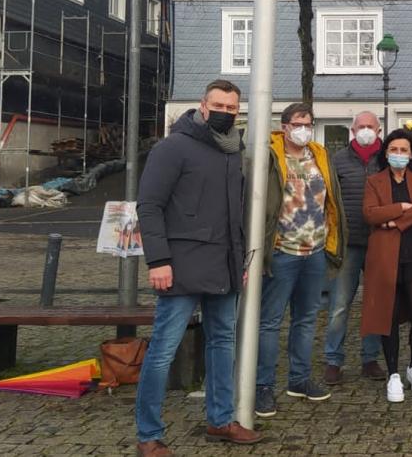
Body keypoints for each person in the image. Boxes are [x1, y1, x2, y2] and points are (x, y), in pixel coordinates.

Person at [134, 79, 260, 456]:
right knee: (163, 351)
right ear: (203, 106)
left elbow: (234, 214)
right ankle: (148, 436)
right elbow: (150, 205)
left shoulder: (232, 151)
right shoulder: (172, 148)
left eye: (232, 108)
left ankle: (220, 419)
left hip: (223, 267)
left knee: (223, 344)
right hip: (181, 267)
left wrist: (239, 261)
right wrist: (158, 260)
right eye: (219, 105)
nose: (225, 111)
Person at [254, 103, 347, 418]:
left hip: (315, 252)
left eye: (308, 123)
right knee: (269, 322)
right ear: (284, 126)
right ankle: (262, 386)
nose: (304, 128)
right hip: (282, 252)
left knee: (306, 320)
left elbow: (331, 200)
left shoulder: (319, 155)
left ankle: (299, 379)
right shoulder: (269, 155)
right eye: (298, 123)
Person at [361, 129, 412, 402]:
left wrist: (392, 221)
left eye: (404, 150)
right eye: (394, 150)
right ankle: (393, 374)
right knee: (389, 317)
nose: (399, 155)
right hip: (386, 260)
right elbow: (370, 213)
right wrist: (402, 207)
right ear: (385, 153)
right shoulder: (374, 181)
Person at [323, 111, 387, 385]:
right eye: (360, 126)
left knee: (374, 304)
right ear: (352, 130)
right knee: (339, 305)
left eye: (370, 126)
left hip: (378, 242)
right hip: (347, 244)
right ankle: (333, 361)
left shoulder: (387, 160)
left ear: (379, 130)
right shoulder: (337, 161)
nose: (365, 130)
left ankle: (370, 359)